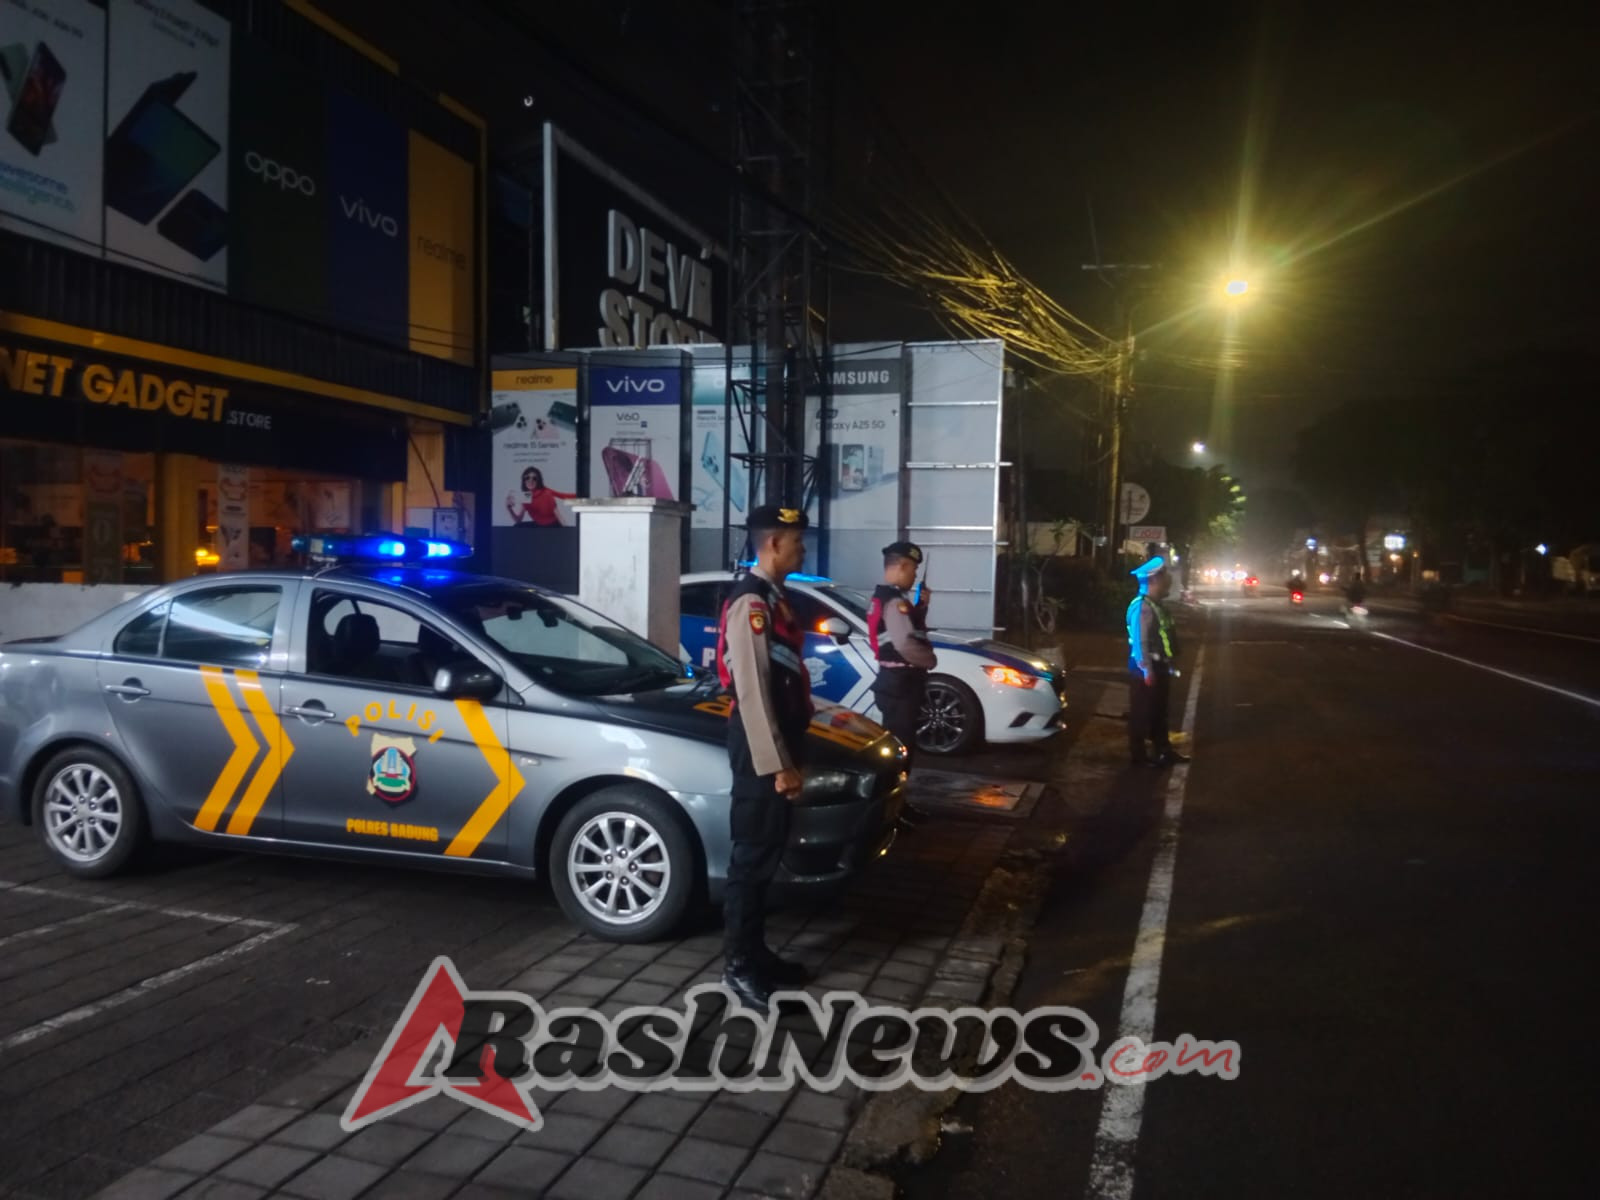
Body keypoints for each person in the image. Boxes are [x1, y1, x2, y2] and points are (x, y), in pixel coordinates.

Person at [715, 505, 814, 1007]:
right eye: (796, 540)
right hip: (760, 749)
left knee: (766, 854)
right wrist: (779, 764)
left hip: (775, 743)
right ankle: (737, 966)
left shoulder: (774, 598)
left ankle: (756, 952)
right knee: (751, 858)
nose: (802, 547)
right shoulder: (751, 602)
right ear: (773, 543)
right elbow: (752, 689)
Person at [869, 541, 937, 768]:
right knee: (901, 747)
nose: (915, 575)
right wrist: (930, 660)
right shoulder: (895, 602)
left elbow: (903, 630)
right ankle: (895, 795)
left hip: (893, 683)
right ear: (903, 566)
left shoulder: (885, 597)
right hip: (901, 685)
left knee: (897, 743)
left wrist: (920, 608)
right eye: (913, 569)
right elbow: (905, 644)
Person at [1126, 556, 1189, 768]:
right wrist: (1147, 670)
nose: (1168, 581)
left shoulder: (1156, 605)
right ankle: (1139, 758)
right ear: (1153, 581)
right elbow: (1140, 642)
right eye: (1164, 578)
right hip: (1146, 669)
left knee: (1159, 712)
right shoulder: (1142, 607)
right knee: (1142, 713)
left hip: (1159, 667)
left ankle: (1163, 750)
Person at [505, 467, 576, 526]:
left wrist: (567, 532)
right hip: (539, 525)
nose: (530, 480)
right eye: (527, 478)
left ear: (538, 481)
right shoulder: (525, 496)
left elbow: (560, 517)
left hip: (552, 526)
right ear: (524, 480)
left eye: (534, 478)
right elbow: (518, 520)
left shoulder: (546, 493)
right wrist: (509, 509)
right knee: (517, 526)